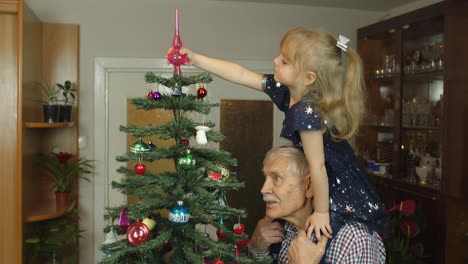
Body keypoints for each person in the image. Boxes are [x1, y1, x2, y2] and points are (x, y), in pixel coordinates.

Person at [171, 26, 387, 249]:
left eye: (284, 61)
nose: (275, 60)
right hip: (321, 180)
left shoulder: (307, 111)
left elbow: (318, 166)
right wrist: (194, 58)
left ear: (308, 77)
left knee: (330, 238)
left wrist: (322, 212)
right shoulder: (287, 92)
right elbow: (242, 74)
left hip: (339, 186)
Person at [248, 145, 386, 263]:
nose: (263, 189)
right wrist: (256, 249)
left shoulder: (354, 241)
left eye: (276, 178)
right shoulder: (280, 229)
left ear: (309, 186)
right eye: (265, 178)